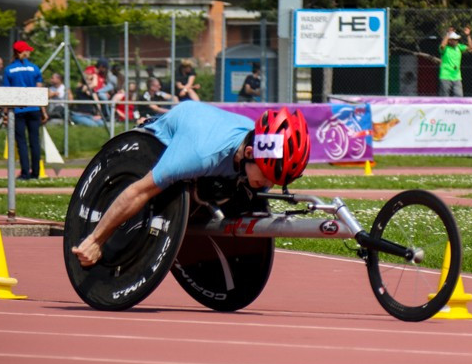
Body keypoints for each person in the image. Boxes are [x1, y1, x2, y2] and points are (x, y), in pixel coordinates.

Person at [71, 104, 311, 267]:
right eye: (267, 176)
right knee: (159, 186)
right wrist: (96, 240)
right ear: (249, 152)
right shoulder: (198, 155)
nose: (268, 184)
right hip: (172, 135)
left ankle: (203, 193)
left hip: (208, 128)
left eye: (275, 181)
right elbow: (137, 191)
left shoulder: (256, 150)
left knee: (231, 191)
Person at [3, 40, 47, 180]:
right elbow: (39, 91)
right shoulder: (35, 68)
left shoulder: (9, 70)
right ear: (21, 52)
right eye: (27, 50)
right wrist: (43, 111)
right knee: (34, 141)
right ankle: (36, 172)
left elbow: (6, 93)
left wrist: (5, 113)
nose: (29, 52)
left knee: (21, 142)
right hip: (34, 108)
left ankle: (25, 173)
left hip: (18, 110)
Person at [438, 26, 472, 97]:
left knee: (459, 96)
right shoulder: (445, 49)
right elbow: (442, 46)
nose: (457, 41)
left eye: (457, 39)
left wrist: (468, 35)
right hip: (445, 76)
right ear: (450, 40)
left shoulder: (459, 47)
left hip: (457, 77)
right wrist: (448, 34)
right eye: (455, 39)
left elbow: (471, 47)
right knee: (445, 97)